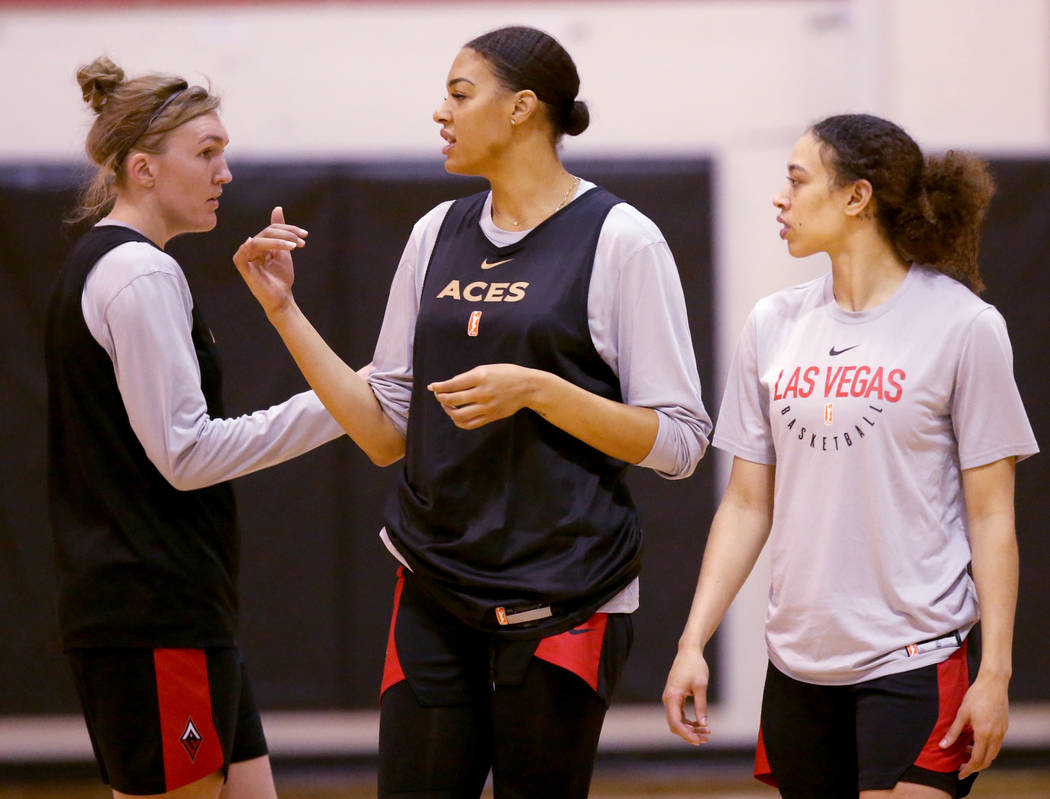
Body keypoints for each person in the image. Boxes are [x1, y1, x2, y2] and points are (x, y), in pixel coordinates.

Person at [233, 25, 711, 798]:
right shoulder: (434, 234)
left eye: (459, 94)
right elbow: (386, 432)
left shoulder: (622, 239)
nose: (440, 114)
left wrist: (539, 389)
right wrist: (285, 312)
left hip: (567, 592)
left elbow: (681, 442)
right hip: (435, 581)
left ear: (523, 108)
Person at [662, 113, 1039, 798]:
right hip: (799, 669)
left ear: (856, 197)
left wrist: (996, 674)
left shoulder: (965, 326)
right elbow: (747, 503)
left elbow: (991, 518)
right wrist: (694, 640)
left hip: (915, 659)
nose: (780, 196)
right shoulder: (771, 325)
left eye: (797, 179)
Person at [45, 57, 346, 798]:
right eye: (207, 153)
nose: (226, 172)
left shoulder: (119, 266)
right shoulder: (139, 275)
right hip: (151, 616)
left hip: (183, 608)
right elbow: (186, 453)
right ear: (143, 169)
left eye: (225, 152)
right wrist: (342, 401)